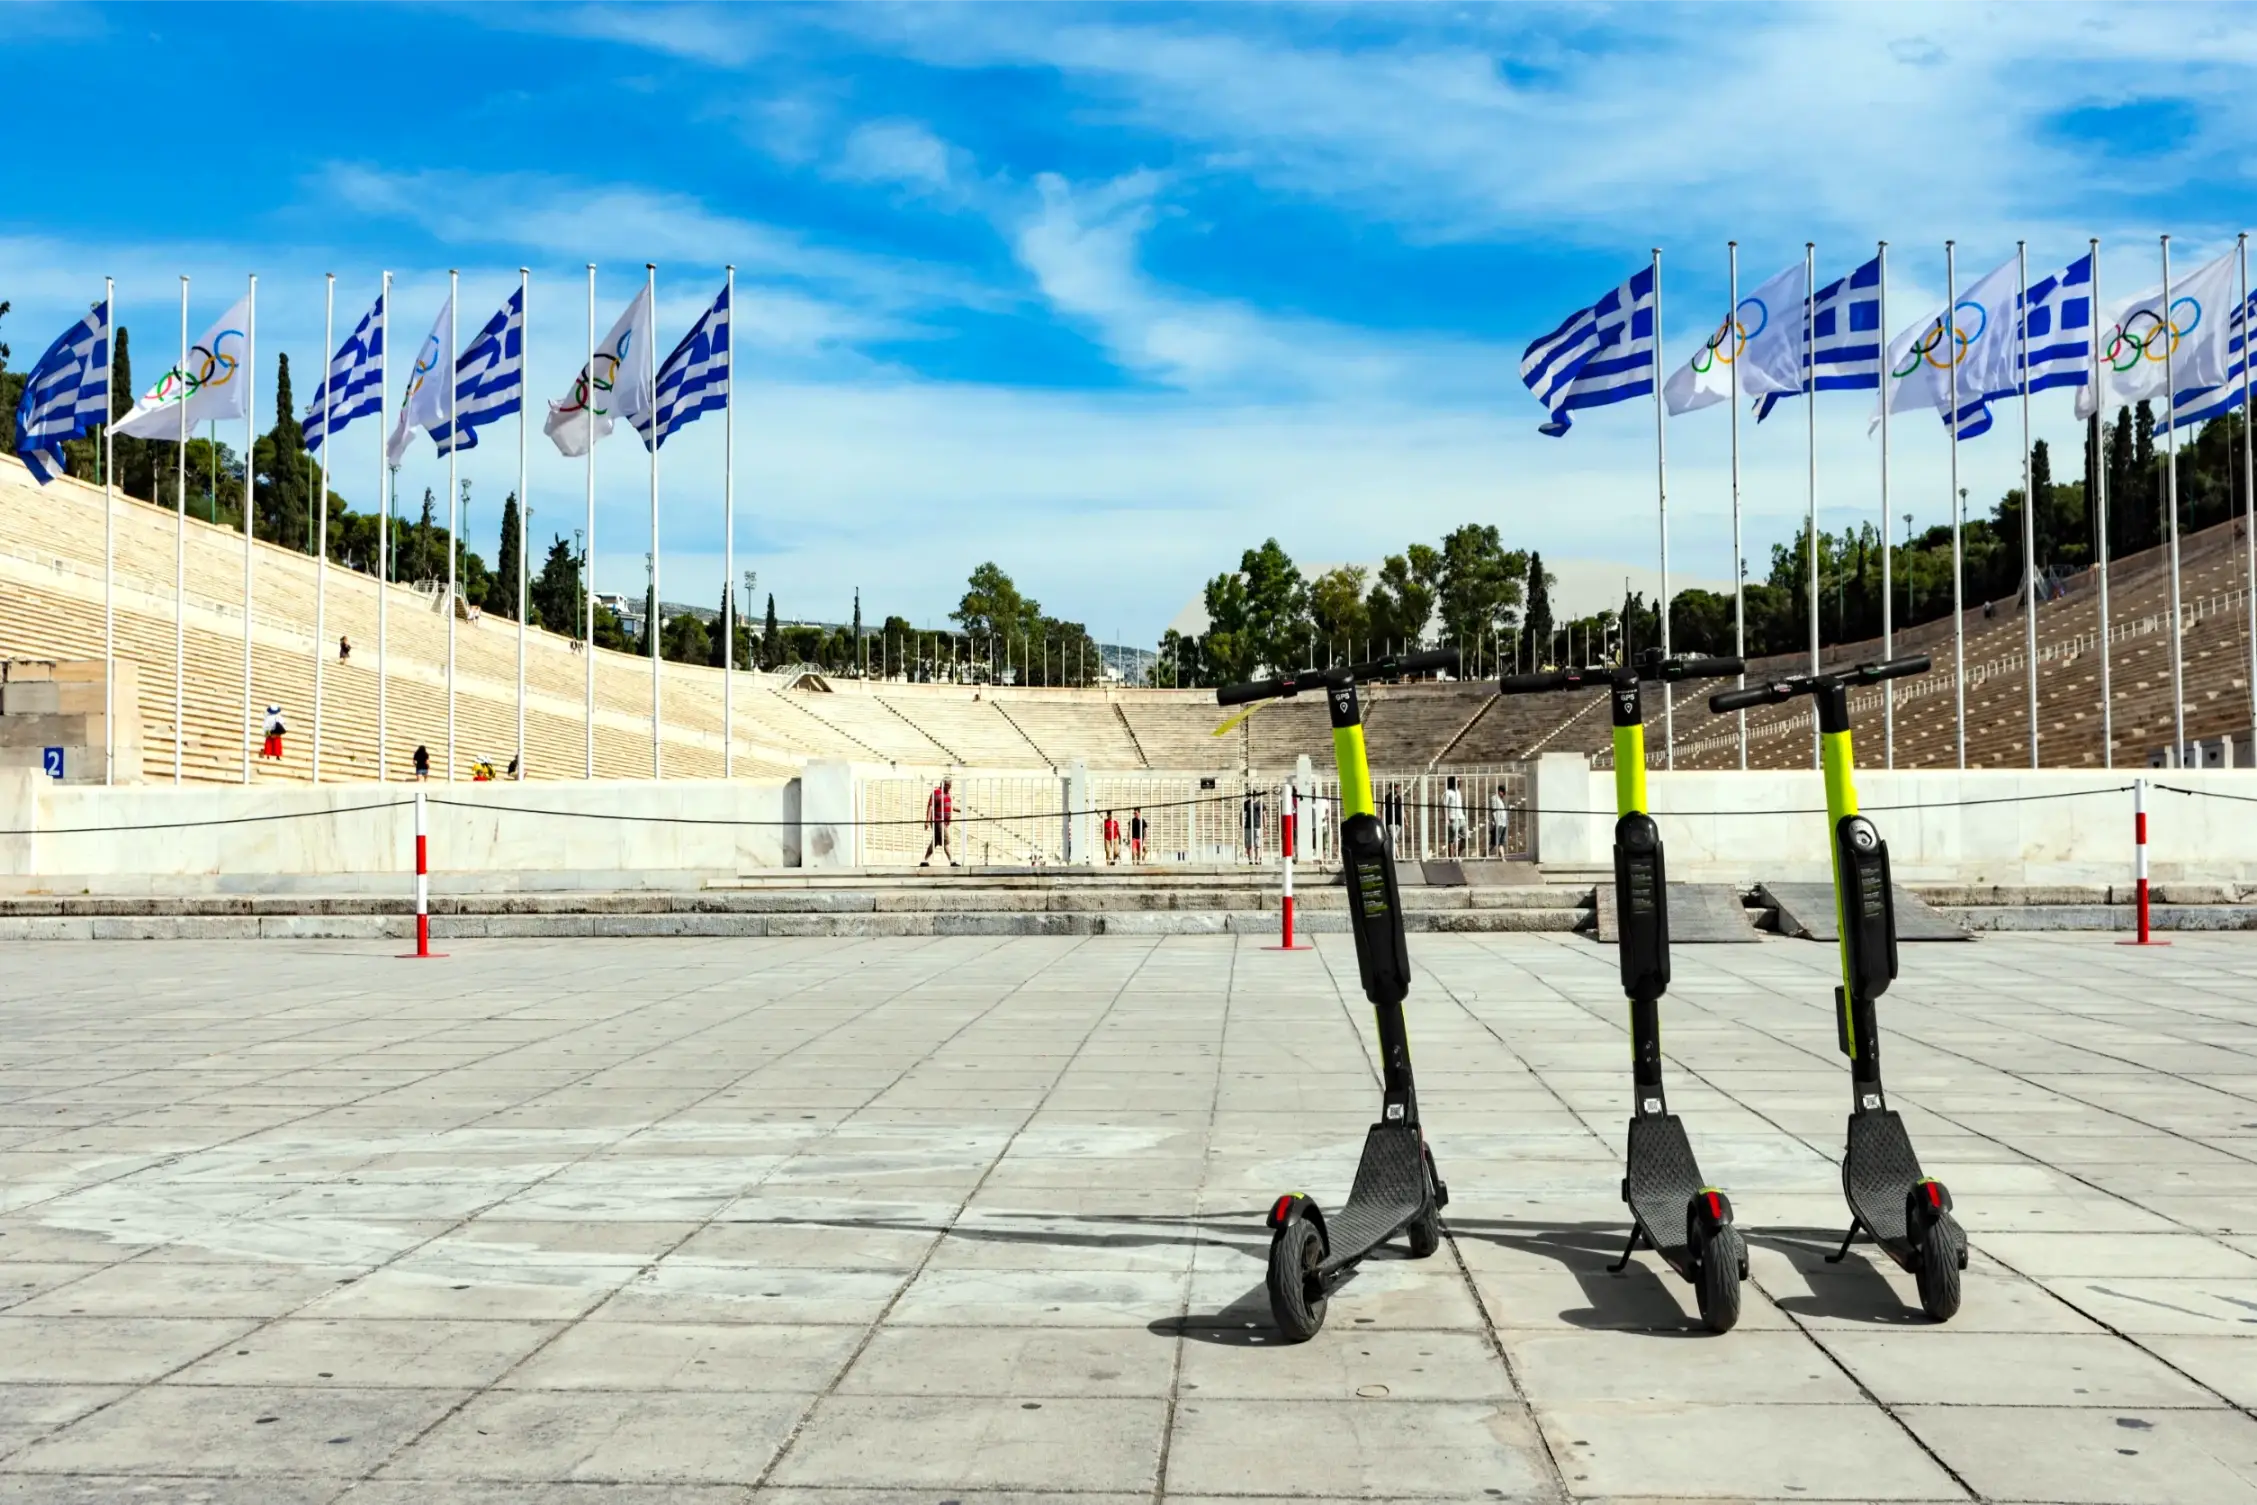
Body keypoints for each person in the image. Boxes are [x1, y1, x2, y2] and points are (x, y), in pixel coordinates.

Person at [921, 778, 956, 867]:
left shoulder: (947, 794)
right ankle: (952, 861)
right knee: (946, 840)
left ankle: (925, 860)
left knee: (935, 842)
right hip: (938, 821)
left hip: (944, 823)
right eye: (949, 786)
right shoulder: (936, 793)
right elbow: (930, 806)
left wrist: (961, 810)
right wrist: (928, 821)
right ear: (945, 785)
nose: (950, 788)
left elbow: (950, 807)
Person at [1443, 775, 1468, 858]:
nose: (1459, 783)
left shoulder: (1458, 792)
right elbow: (1444, 807)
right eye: (1458, 781)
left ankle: (1457, 854)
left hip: (1461, 817)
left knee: (1467, 837)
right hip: (1453, 818)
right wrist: (1446, 819)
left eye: (1460, 781)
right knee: (1452, 840)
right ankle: (1451, 859)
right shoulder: (1447, 793)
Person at [1383, 782, 1405, 855]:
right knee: (1394, 837)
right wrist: (1380, 819)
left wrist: (1406, 820)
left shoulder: (1398, 797)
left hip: (1399, 821)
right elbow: (1382, 809)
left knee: (1392, 840)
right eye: (1396, 787)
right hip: (1390, 820)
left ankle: (1394, 856)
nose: (1397, 788)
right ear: (1391, 788)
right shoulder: (1386, 797)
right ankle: (1397, 856)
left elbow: (1402, 809)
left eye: (1397, 787)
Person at [1490, 785, 1511, 858]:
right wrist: (1495, 822)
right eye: (1504, 793)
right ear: (1500, 791)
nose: (1504, 795)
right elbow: (1493, 810)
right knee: (1494, 843)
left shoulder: (1499, 800)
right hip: (1498, 823)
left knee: (1500, 843)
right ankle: (1482, 858)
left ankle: (1503, 859)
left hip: (1503, 823)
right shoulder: (1494, 798)